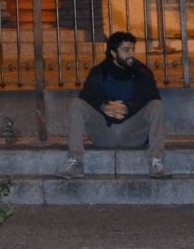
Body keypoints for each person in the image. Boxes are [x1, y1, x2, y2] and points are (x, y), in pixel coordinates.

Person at [60, 30, 168, 178]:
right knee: (76, 104)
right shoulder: (99, 71)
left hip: (133, 134)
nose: (131, 54)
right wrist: (105, 107)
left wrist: (127, 108)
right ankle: (75, 161)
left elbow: (150, 95)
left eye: (132, 49)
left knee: (157, 105)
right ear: (113, 52)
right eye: (126, 50)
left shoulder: (142, 71)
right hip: (104, 133)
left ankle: (156, 160)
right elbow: (88, 95)